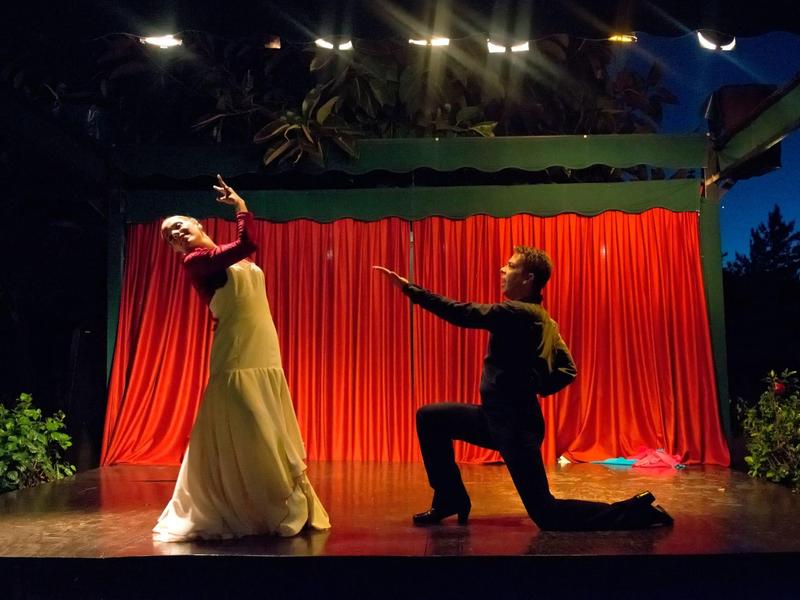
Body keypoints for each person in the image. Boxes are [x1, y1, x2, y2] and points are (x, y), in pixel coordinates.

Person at [373, 247, 672, 530]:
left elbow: (460, 313)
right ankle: (450, 498)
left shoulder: (516, 312)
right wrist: (533, 385)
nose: (503, 269)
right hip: (498, 419)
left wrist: (408, 289)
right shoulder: (544, 319)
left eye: (511, 266)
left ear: (528, 278)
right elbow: (568, 369)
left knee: (546, 513)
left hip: (515, 428)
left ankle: (637, 511)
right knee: (431, 417)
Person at [153, 175, 330, 541]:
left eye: (180, 226)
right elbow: (248, 243)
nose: (177, 234)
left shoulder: (218, 256)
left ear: (198, 224)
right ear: (174, 249)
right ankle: (248, 501)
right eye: (171, 236)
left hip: (263, 346)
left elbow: (244, 254)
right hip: (235, 354)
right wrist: (241, 206)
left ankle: (277, 500)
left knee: (268, 422)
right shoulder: (197, 262)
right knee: (250, 423)